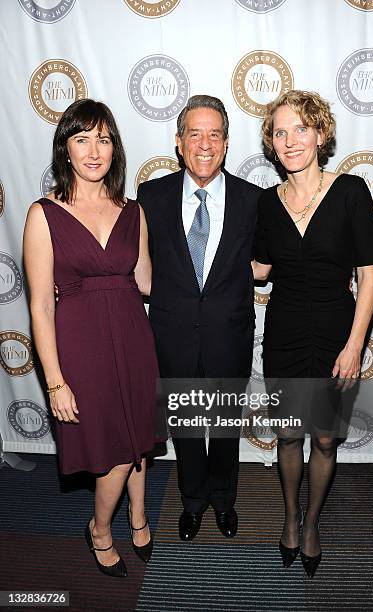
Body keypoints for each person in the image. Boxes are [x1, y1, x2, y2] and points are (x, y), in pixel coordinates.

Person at [23, 99, 161, 577]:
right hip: (82, 344)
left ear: (115, 149)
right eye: (82, 138)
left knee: (139, 437)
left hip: (133, 335)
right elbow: (40, 305)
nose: (94, 149)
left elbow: (145, 281)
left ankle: (139, 517)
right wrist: (55, 382)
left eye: (104, 139)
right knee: (113, 453)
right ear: (65, 149)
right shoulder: (44, 214)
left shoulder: (133, 211)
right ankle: (100, 528)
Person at [252, 90, 373, 578]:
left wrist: (353, 348)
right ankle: (288, 516)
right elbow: (260, 270)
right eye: (280, 132)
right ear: (271, 143)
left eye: (300, 129)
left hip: (334, 335)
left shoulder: (350, 192)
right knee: (288, 435)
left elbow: (367, 277)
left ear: (320, 135)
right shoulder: (266, 202)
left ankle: (311, 523)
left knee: (324, 439)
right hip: (283, 332)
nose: (290, 140)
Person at [137, 95, 262, 541]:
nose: (204, 144)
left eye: (214, 135)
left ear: (226, 145)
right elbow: (135, 264)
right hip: (172, 335)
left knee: (226, 428)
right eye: (195, 133)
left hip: (229, 335)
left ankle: (224, 500)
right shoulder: (150, 196)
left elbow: (266, 263)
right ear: (179, 141)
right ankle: (192, 500)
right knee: (187, 429)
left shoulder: (254, 201)